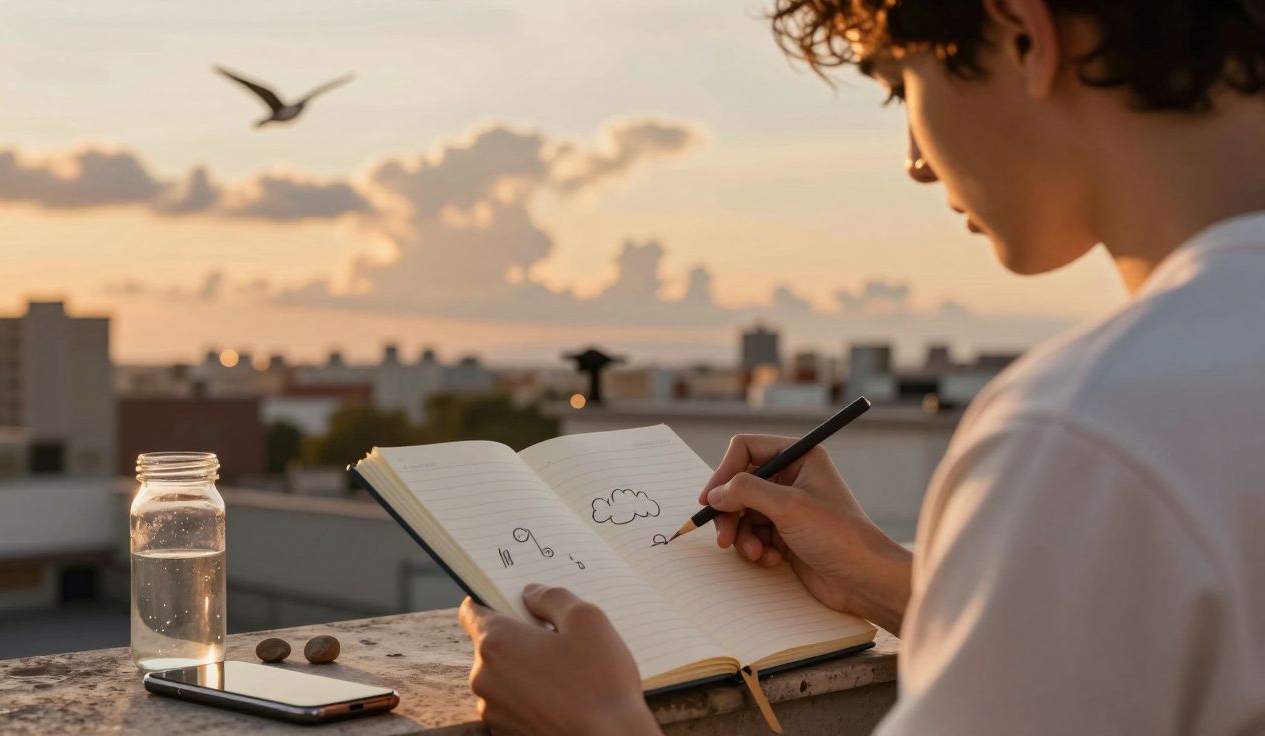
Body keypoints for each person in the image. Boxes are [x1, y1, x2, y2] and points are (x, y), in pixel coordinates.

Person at [459, 0, 1265, 732]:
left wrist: (598, 725)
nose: (915, 160)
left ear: (1025, 33)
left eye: (897, 84)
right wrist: (883, 580)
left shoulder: (1089, 430)